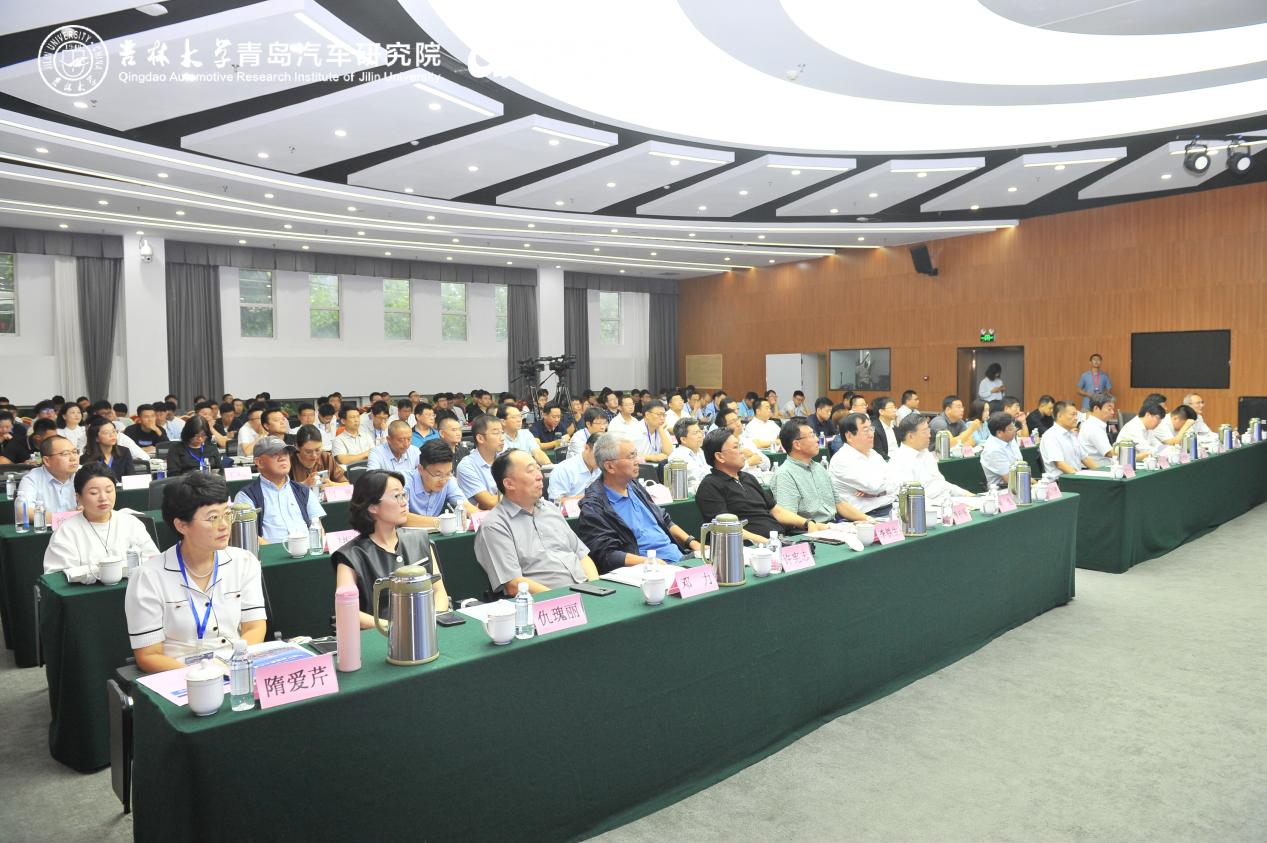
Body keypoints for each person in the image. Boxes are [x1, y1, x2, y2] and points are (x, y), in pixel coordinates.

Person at [126, 473, 267, 672]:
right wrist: (201, 677)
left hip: (234, 667)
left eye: (227, 514)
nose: (224, 525)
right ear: (182, 525)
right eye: (213, 518)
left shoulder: (244, 562)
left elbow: (255, 627)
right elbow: (148, 655)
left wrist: (232, 665)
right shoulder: (148, 576)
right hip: (179, 673)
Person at [332, 470, 451, 628]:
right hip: (381, 634)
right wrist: (396, 628)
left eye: (404, 495)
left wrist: (430, 620)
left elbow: (439, 591)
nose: (404, 502)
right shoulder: (350, 556)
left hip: (427, 629)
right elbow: (346, 610)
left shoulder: (420, 539)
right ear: (372, 507)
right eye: (396, 496)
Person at [473, 450, 599, 595]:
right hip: (547, 600)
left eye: (538, 469)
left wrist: (595, 587)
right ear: (509, 483)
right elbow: (513, 584)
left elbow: (581, 555)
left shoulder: (550, 509)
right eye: (530, 471)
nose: (539, 476)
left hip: (585, 591)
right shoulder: (495, 525)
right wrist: (565, 600)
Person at [576, 434, 701, 572]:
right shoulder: (594, 505)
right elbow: (606, 554)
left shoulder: (633, 485)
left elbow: (663, 519)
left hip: (679, 559)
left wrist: (692, 543)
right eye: (631, 457)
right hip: (648, 570)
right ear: (610, 466)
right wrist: (648, 562)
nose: (637, 461)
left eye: (636, 454)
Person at [695, 428, 826, 544]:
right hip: (750, 548)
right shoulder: (710, 486)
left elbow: (776, 511)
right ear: (720, 457)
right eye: (736, 447)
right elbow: (728, 529)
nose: (742, 452)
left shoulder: (748, 478)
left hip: (779, 538)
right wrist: (769, 543)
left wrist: (807, 523)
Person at [44, 463, 159, 574]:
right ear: (78, 497)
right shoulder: (66, 532)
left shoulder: (130, 523)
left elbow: (153, 560)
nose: (103, 498)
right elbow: (57, 576)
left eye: (109, 491)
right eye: (94, 493)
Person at [772, 420, 870, 524]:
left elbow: (839, 504)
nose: (817, 439)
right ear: (797, 445)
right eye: (811, 436)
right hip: (809, 530)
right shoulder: (785, 475)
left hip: (833, 525)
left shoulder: (819, 468)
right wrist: (824, 527)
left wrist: (869, 519)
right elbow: (788, 517)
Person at [233, 436, 326, 544]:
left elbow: (318, 527)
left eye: (285, 453)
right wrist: (274, 551)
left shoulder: (303, 491)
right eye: (275, 454)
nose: (282, 458)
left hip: (307, 549)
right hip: (269, 552)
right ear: (259, 462)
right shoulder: (246, 496)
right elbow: (246, 534)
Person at [885, 414, 975, 508]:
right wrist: (946, 506)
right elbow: (913, 499)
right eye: (924, 432)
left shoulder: (925, 453)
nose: (929, 435)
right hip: (928, 508)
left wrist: (965, 494)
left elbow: (941, 483)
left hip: (946, 501)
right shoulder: (900, 461)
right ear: (911, 436)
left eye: (928, 430)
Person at [828, 413, 894, 518]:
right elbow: (874, 487)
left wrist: (879, 492)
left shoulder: (873, 453)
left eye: (871, 429)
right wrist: (879, 490)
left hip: (888, 508)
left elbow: (896, 480)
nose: (871, 434)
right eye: (865, 430)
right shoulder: (841, 460)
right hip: (866, 516)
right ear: (849, 436)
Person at [401, 440, 476, 526]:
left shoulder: (449, 480)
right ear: (420, 469)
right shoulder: (403, 481)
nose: (443, 480)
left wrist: (479, 517)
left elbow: (466, 506)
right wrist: (444, 522)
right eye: (437, 475)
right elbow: (403, 518)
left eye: (448, 473)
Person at [16, 435, 80, 514]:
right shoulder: (32, 479)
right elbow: (23, 512)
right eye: (65, 454)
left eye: (74, 452)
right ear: (47, 461)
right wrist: (67, 516)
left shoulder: (84, 474)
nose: (73, 458)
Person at [456, 414, 504, 510]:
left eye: (502, 433)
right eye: (496, 433)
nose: (502, 438)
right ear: (480, 438)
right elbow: (490, 503)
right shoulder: (466, 466)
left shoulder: (505, 459)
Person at [1039, 401, 1098, 475]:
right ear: (1060, 416)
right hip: (1061, 480)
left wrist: (1101, 472)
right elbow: (1060, 464)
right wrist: (1079, 477)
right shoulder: (1050, 436)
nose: (1076, 418)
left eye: (1076, 415)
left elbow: (1085, 458)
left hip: (1074, 476)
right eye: (1073, 415)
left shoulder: (1071, 434)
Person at [545, 432, 601, 505]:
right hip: (571, 511)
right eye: (598, 455)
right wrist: (589, 498)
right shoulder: (564, 469)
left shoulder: (603, 467)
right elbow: (556, 502)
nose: (602, 460)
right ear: (586, 448)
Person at [80, 415, 136, 481]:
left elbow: (131, 477)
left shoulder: (124, 452)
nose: (112, 435)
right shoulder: (86, 459)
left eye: (114, 431)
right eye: (106, 433)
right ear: (96, 438)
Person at [717, 407, 769, 473]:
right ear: (724, 427)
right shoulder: (723, 447)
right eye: (733, 422)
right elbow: (727, 472)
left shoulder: (746, 441)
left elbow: (768, 464)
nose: (738, 424)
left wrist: (753, 455)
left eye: (737, 419)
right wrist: (748, 463)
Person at [980, 412, 1024, 489]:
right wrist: (1032, 483)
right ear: (999, 433)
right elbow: (1011, 479)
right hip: (1002, 490)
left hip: (1020, 482)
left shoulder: (1009, 439)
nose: (1015, 430)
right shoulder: (993, 450)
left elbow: (1021, 466)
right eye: (1011, 429)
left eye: (1014, 426)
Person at [667, 417, 709, 496]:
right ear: (683, 439)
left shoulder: (701, 451)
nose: (700, 435)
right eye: (695, 433)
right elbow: (678, 490)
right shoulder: (676, 458)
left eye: (700, 431)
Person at [1078, 396, 1117, 467]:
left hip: (1103, 466)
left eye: (1113, 409)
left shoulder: (1096, 424)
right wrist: (1132, 455)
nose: (1112, 412)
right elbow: (1109, 453)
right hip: (1096, 469)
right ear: (1096, 408)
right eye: (1109, 409)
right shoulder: (1093, 426)